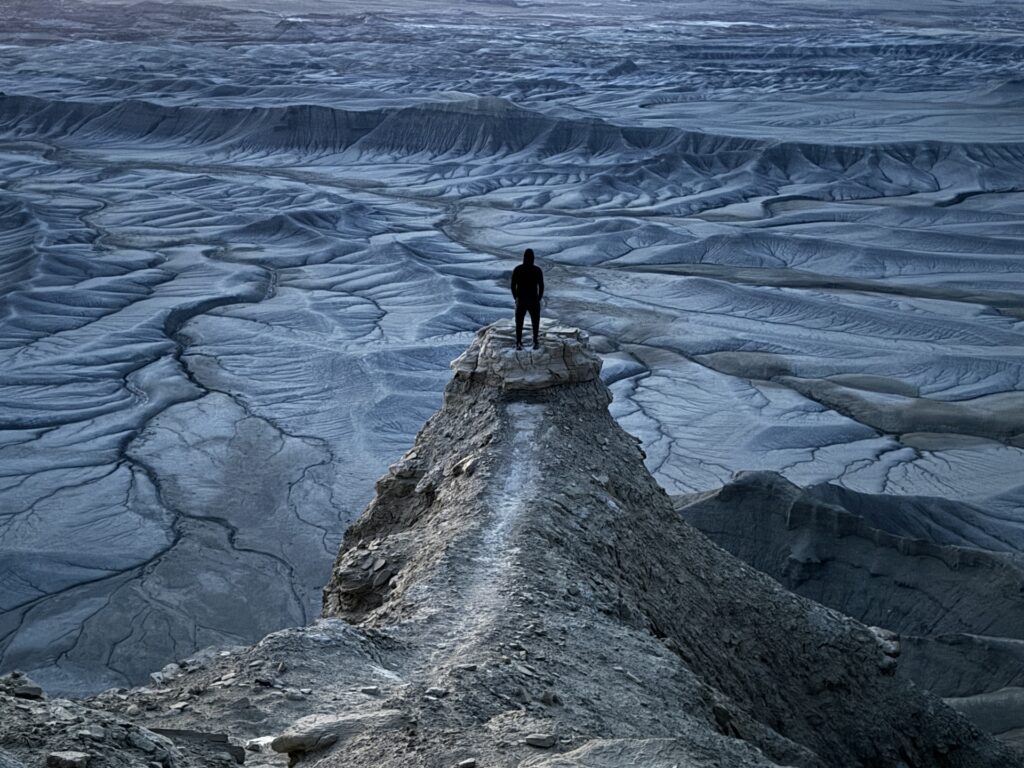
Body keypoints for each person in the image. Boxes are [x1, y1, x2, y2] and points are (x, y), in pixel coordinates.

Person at [510, 248, 544, 350]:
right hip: (533, 300)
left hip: (521, 299)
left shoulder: (518, 269)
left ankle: (519, 342)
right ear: (533, 258)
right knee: (535, 322)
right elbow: (541, 286)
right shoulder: (537, 270)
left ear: (523, 257)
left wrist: (516, 298)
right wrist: (539, 298)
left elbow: (512, 286)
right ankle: (535, 341)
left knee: (519, 322)